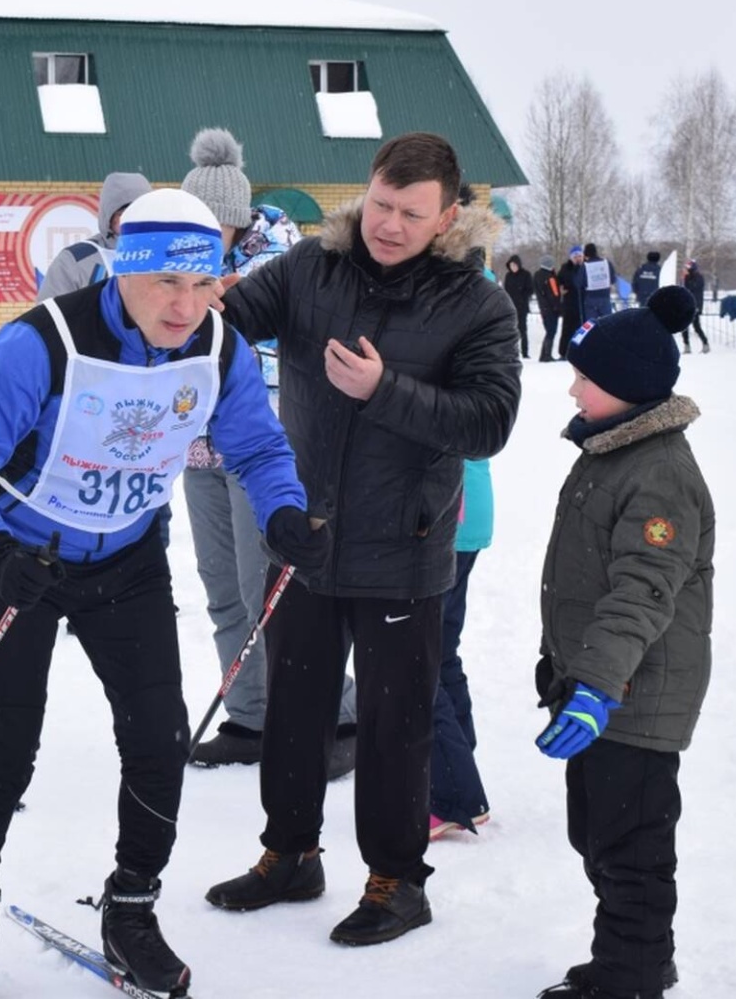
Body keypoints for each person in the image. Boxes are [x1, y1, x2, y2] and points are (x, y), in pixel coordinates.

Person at [0, 188, 324, 998]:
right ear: (124, 269)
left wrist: (282, 512)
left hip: (128, 563)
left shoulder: (218, 349)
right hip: (22, 560)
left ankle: (132, 902)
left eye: (204, 284)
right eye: (167, 282)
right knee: (4, 745)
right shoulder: (43, 343)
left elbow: (258, 443)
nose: (186, 305)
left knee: (158, 736)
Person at [203, 132, 521, 949]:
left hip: (405, 547)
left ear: (448, 214)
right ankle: (290, 852)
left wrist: (387, 390)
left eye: (411, 213)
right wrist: (196, 302)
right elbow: (231, 318)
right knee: (294, 709)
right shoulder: (313, 267)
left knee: (392, 725)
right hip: (305, 537)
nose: (388, 224)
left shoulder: (475, 303)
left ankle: (396, 880)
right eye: (381, 203)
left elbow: (490, 422)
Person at [534, 285, 713, 999]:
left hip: (635, 697)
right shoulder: (613, 448)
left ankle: (632, 975)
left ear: (630, 389)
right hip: (602, 688)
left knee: (631, 844)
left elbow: (642, 589)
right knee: (599, 834)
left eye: (587, 376)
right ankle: (635, 955)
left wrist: (599, 687)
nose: (572, 385)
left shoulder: (659, 473)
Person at [175, 126, 359, 776]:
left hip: (264, 449)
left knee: (277, 590)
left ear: (233, 218)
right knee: (223, 588)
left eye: (211, 229)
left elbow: (296, 355)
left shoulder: (284, 264)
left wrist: (230, 314)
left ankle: (340, 714)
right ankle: (250, 714)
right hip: (199, 450)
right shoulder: (187, 268)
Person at [428, 458, 492, 839]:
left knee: (420, 661)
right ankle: (456, 764)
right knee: (440, 652)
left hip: (445, 518)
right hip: (463, 512)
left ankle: (452, 794)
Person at [36, 171, 153, 300]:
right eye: (124, 214)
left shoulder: (165, 255)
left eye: (140, 213)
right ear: (109, 216)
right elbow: (48, 313)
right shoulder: (77, 260)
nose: (132, 221)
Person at [502, 254, 534, 359]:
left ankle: (525, 352)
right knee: (511, 329)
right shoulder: (508, 276)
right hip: (510, 306)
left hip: (522, 306)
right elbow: (506, 290)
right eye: (511, 265)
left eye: (515, 265)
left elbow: (530, 289)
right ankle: (511, 351)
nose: (513, 267)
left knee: (523, 329)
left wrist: (522, 297)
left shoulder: (526, 274)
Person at [557, 246, 586, 357]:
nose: (578, 259)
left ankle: (580, 351)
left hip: (583, 303)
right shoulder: (565, 268)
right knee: (567, 329)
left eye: (580, 256)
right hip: (569, 303)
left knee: (582, 329)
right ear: (571, 258)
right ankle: (564, 352)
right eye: (576, 257)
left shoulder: (585, 267)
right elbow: (560, 281)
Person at [534, 255, 562, 362]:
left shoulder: (537, 275)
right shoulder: (550, 277)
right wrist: (557, 307)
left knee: (548, 331)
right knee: (551, 331)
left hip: (543, 308)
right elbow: (554, 293)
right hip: (551, 308)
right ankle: (547, 355)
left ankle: (543, 354)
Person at [577, 242, 615, 322]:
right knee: (607, 323)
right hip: (605, 297)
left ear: (586, 254)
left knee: (591, 325)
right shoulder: (607, 263)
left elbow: (579, 282)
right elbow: (613, 279)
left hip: (590, 298)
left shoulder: (585, 266)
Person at [681, 260, 710, 354]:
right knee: (684, 326)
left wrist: (686, 279)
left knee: (696, 326)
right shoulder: (688, 277)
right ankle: (687, 346)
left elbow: (692, 289)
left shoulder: (698, 278)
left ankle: (705, 344)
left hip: (694, 305)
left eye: (687, 268)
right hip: (687, 305)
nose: (685, 269)